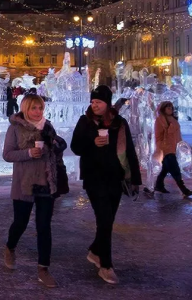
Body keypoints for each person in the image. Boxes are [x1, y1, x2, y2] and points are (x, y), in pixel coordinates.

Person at [70, 85, 141, 285]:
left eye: (98, 102)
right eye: (93, 102)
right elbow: (75, 147)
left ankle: (95, 250)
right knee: (104, 219)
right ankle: (106, 266)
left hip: (115, 178)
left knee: (107, 220)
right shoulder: (85, 121)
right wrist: (92, 142)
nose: (94, 105)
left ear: (107, 103)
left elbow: (129, 150)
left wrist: (135, 179)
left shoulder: (119, 123)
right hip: (94, 178)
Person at [2, 95, 66, 288]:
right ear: (25, 109)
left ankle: (43, 268)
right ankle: (10, 247)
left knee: (44, 226)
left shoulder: (48, 126)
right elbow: (7, 154)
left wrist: (56, 146)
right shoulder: (15, 127)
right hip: (25, 182)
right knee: (20, 222)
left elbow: (55, 151)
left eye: (40, 108)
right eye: (33, 108)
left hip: (46, 181)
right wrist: (29, 153)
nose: (38, 112)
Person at [154, 101, 192, 197]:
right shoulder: (160, 120)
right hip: (166, 149)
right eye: (168, 107)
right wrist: (162, 147)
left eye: (171, 107)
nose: (170, 109)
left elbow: (177, 134)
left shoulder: (173, 119)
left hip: (174, 147)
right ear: (163, 109)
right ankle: (184, 189)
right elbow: (158, 136)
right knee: (175, 169)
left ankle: (158, 185)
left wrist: (181, 146)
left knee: (165, 169)